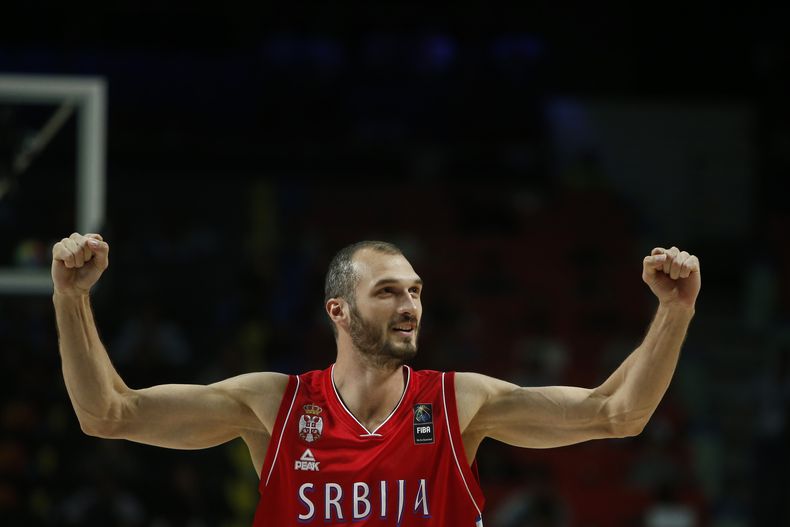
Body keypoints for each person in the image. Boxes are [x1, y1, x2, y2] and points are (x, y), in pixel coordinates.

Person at [51, 233, 700, 526]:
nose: (410, 304)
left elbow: (617, 412)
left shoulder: (457, 402)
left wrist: (674, 311)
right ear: (339, 309)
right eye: (388, 291)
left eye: (415, 291)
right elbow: (107, 412)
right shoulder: (273, 404)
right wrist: (70, 299)